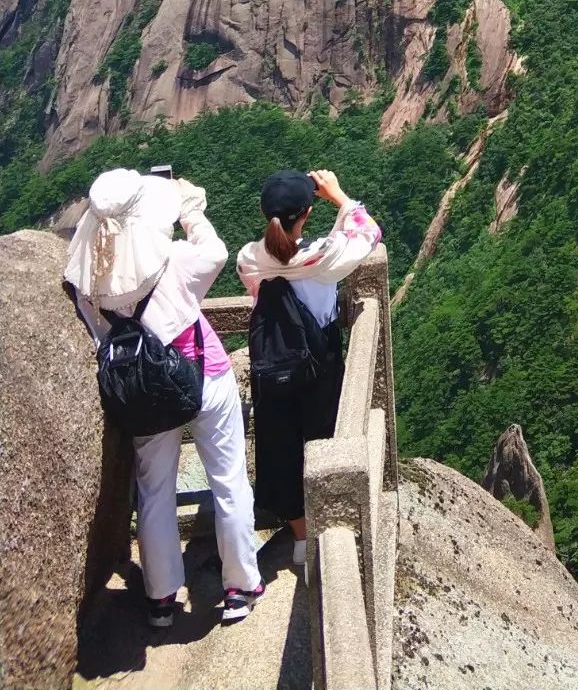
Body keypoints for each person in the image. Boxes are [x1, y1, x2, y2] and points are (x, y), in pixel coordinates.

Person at [64, 168, 262, 627]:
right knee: (228, 481)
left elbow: (101, 336)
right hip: (203, 377)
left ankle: (160, 598)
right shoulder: (173, 259)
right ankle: (240, 587)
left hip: (141, 397)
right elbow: (215, 253)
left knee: (154, 494)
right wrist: (190, 210)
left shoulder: (86, 284)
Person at [236, 168, 381, 569]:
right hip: (318, 364)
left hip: (272, 363)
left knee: (279, 447)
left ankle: (300, 539)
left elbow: (257, 289)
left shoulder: (249, 257)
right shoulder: (323, 258)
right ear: (306, 213)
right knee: (322, 440)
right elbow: (368, 232)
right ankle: (327, 536)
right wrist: (339, 196)